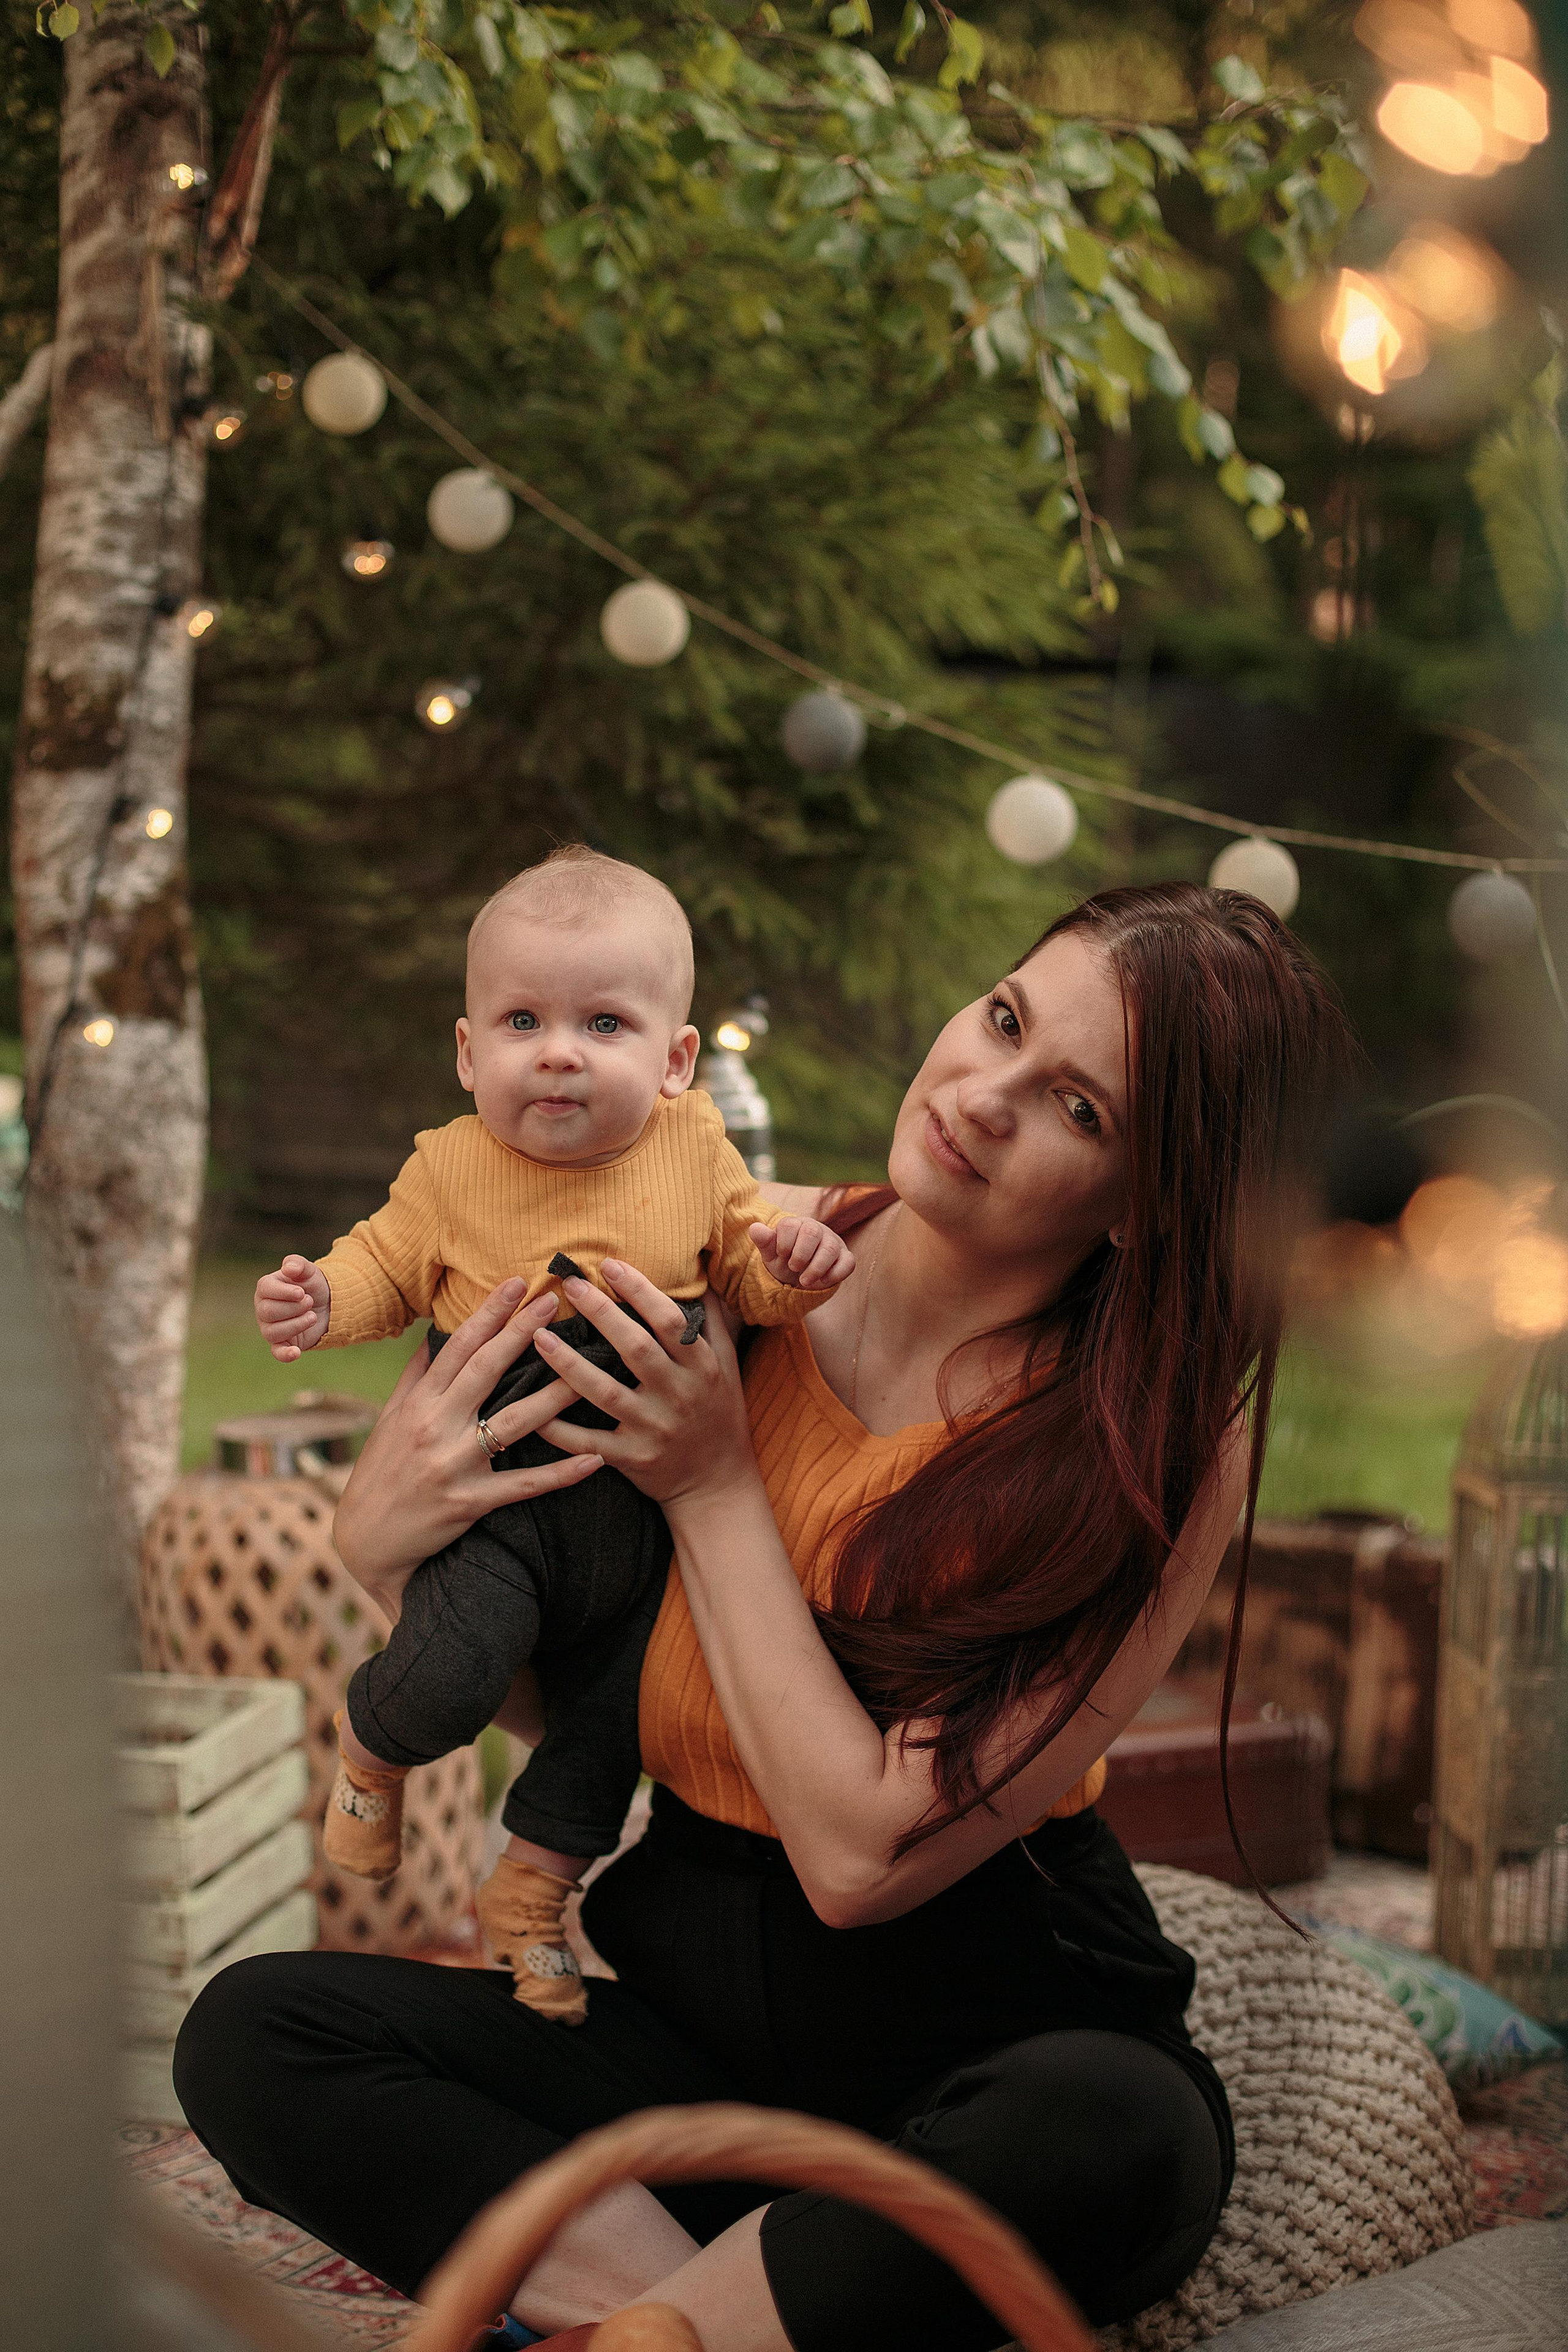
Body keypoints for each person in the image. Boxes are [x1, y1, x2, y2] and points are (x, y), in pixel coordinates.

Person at [178, 882, 1354, 2352]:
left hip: (982, 2047)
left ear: (1149, 1201)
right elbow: (603, 1687)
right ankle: (727, 2318)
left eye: (1076, 1109)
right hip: (691, 2049)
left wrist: (715, 1480)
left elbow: (865, 1862)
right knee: (257, 2037)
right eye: (1000, 1019)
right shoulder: (710, 1262)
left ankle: (688, 2307)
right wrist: (384, 1548)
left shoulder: (1145, 1435)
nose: (980, 1099)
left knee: (1115, 2134)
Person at [249, 846, 853, 2019]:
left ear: (678, 1062)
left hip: (649, 1536)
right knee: (454, 1671)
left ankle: (529, 1897)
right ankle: (378, 1745)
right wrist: (324, 1300)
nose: (560, 1050)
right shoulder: (451, 1166)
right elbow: (383, 1263)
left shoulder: (696, 1155)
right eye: (522, 1020)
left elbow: (747, 1271)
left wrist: (800, 1271)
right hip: (502, 1503)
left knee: (609, 1730)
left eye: (605, 1023)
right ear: (470, 1052)